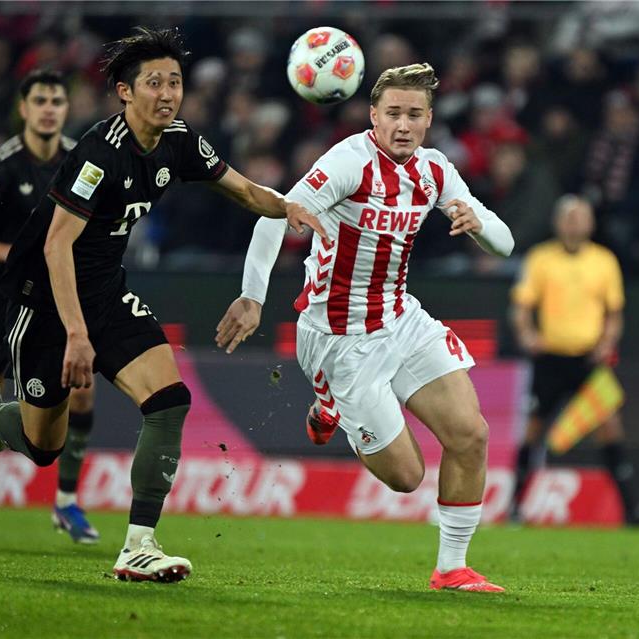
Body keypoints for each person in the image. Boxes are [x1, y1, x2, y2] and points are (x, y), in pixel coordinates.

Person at [0, 27, 325, 583]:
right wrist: (77, 335)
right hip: (46, 305)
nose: (167, 93)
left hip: (107, 294)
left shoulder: (179, 140)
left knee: (168, 400)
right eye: (154, 83)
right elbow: (56, 244)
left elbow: (243, 190)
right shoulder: (97, 155)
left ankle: (138, 545)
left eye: (175, 82)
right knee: (44, 447)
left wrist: (291, 209)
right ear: (124, 92)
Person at [216, 63, 514, 593]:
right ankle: (331, 402)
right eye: (393, 113)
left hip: (400, 319)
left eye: (414, 114)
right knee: (406, 478)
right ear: (374, 115)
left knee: (471, 435)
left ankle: (452, 568)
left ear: (428, 120)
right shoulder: (349, 162)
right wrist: (251, 297)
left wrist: (479, 225)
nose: (403, 124)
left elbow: (505, 243)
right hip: (338, 338)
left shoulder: (436, 170)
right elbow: (273, 215)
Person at [0, 69, 100, 547]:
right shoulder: (0, 164)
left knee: (82, 395)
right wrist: (15, 254)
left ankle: (67, 502)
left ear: (66, 108)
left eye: (57, 99)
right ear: (24, 108)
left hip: (54, 302)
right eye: (41, 100)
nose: (50, 107)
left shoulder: (79, 159)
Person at [507, 195, 639, 525]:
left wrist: (607, 343)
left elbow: (614, 313)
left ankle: (631, 509)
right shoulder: (541, 258)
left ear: (590, 223)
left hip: (588, 360)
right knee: (533, 429)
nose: (574, 222)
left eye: (581, 217)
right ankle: (514, 506)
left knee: (610, 426)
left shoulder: (604, 261)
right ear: (557, 222)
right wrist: (527, 334)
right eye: (569, 217)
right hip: (550, 357)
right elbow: (521, 306)